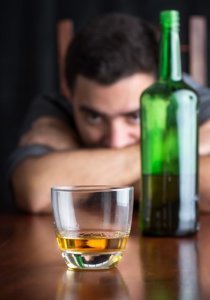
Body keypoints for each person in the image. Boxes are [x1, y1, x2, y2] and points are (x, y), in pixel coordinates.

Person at [9, 13, 210, 213]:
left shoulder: (190, 100)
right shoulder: (54, 108)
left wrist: (82, 174)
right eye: (94, 117)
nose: (116, 142)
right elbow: (35, 190)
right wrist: (182, 147)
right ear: (69, 95)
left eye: (135, 117)